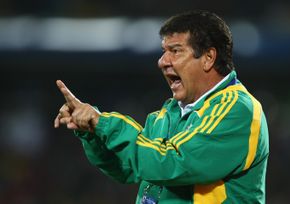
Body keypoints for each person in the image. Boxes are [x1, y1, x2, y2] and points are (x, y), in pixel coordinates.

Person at [54, 10, 269, 204]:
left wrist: (104, 123)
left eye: (175, 51)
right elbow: (127, 167)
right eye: (164, 51)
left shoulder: (237, 109)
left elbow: (172, 162)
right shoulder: (170, 112)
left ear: (208, 58)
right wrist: (92, 131)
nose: (162, 61)